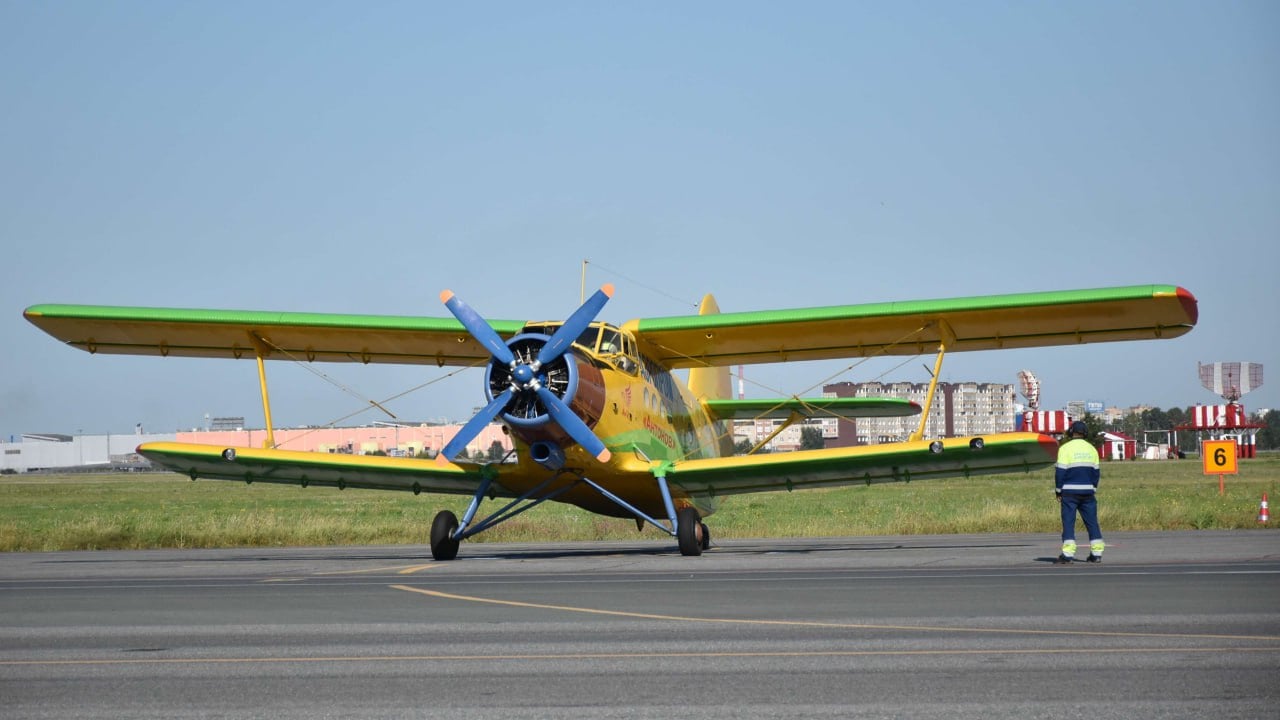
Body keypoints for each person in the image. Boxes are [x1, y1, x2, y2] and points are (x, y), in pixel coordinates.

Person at [1054, 420, 1104, 564]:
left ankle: (1068, 555)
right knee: (1092, 522)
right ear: (1085, 433)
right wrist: (1093, 488)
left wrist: (1058, 491)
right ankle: (1097, 553)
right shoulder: (1092, 449)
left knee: (1069, 522)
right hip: (1088, 492)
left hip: (1069, 493)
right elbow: (1096, 473)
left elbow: (1060, 472)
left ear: (1071, 432)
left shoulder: (1065, 448)